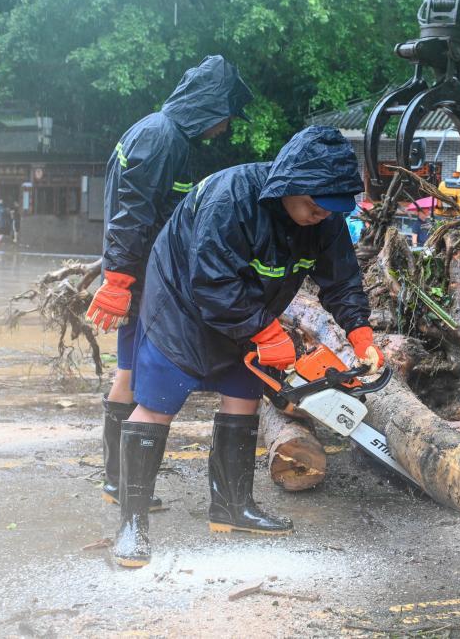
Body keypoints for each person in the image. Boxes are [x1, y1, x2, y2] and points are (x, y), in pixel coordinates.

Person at [111, 126, 383, 568]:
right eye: (313, 206)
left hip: (249, 306)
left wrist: (359, 332)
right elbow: (211, 281)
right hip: (180, 300)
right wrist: (267, 333)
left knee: (243, 395)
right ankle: (132, 524)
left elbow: (342, 278)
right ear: (290, 187)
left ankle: (232, 507)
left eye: (327, 210)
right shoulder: (231, 198)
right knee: (157, 403)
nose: (318, 216)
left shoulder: (325, 219)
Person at [85, 56, 253, 512]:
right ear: (210, 107)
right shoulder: (162, 138)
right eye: (225, 119)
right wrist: (119, 281)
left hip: (137, 276)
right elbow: (134, 213)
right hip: (142, 281)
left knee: (127, 372)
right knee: (135, 377)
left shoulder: (156, 130)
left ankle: (117, 481)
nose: (222, 130)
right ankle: (122, 483)